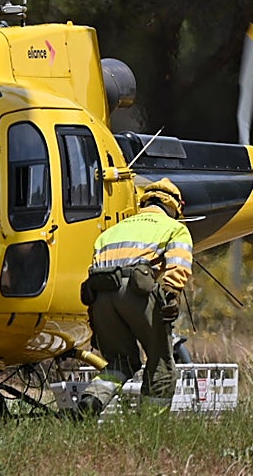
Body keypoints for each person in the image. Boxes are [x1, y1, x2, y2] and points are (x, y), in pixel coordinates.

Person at [78, 177, 193, 416]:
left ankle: (91, 400)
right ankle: (151, 423)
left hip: (100, 295)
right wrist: (171, 294)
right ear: (174, 206)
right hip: (135, 292)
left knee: (121, 362)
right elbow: (179, 263)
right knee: (160, 360)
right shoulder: (174, 227)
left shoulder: (112, 231)